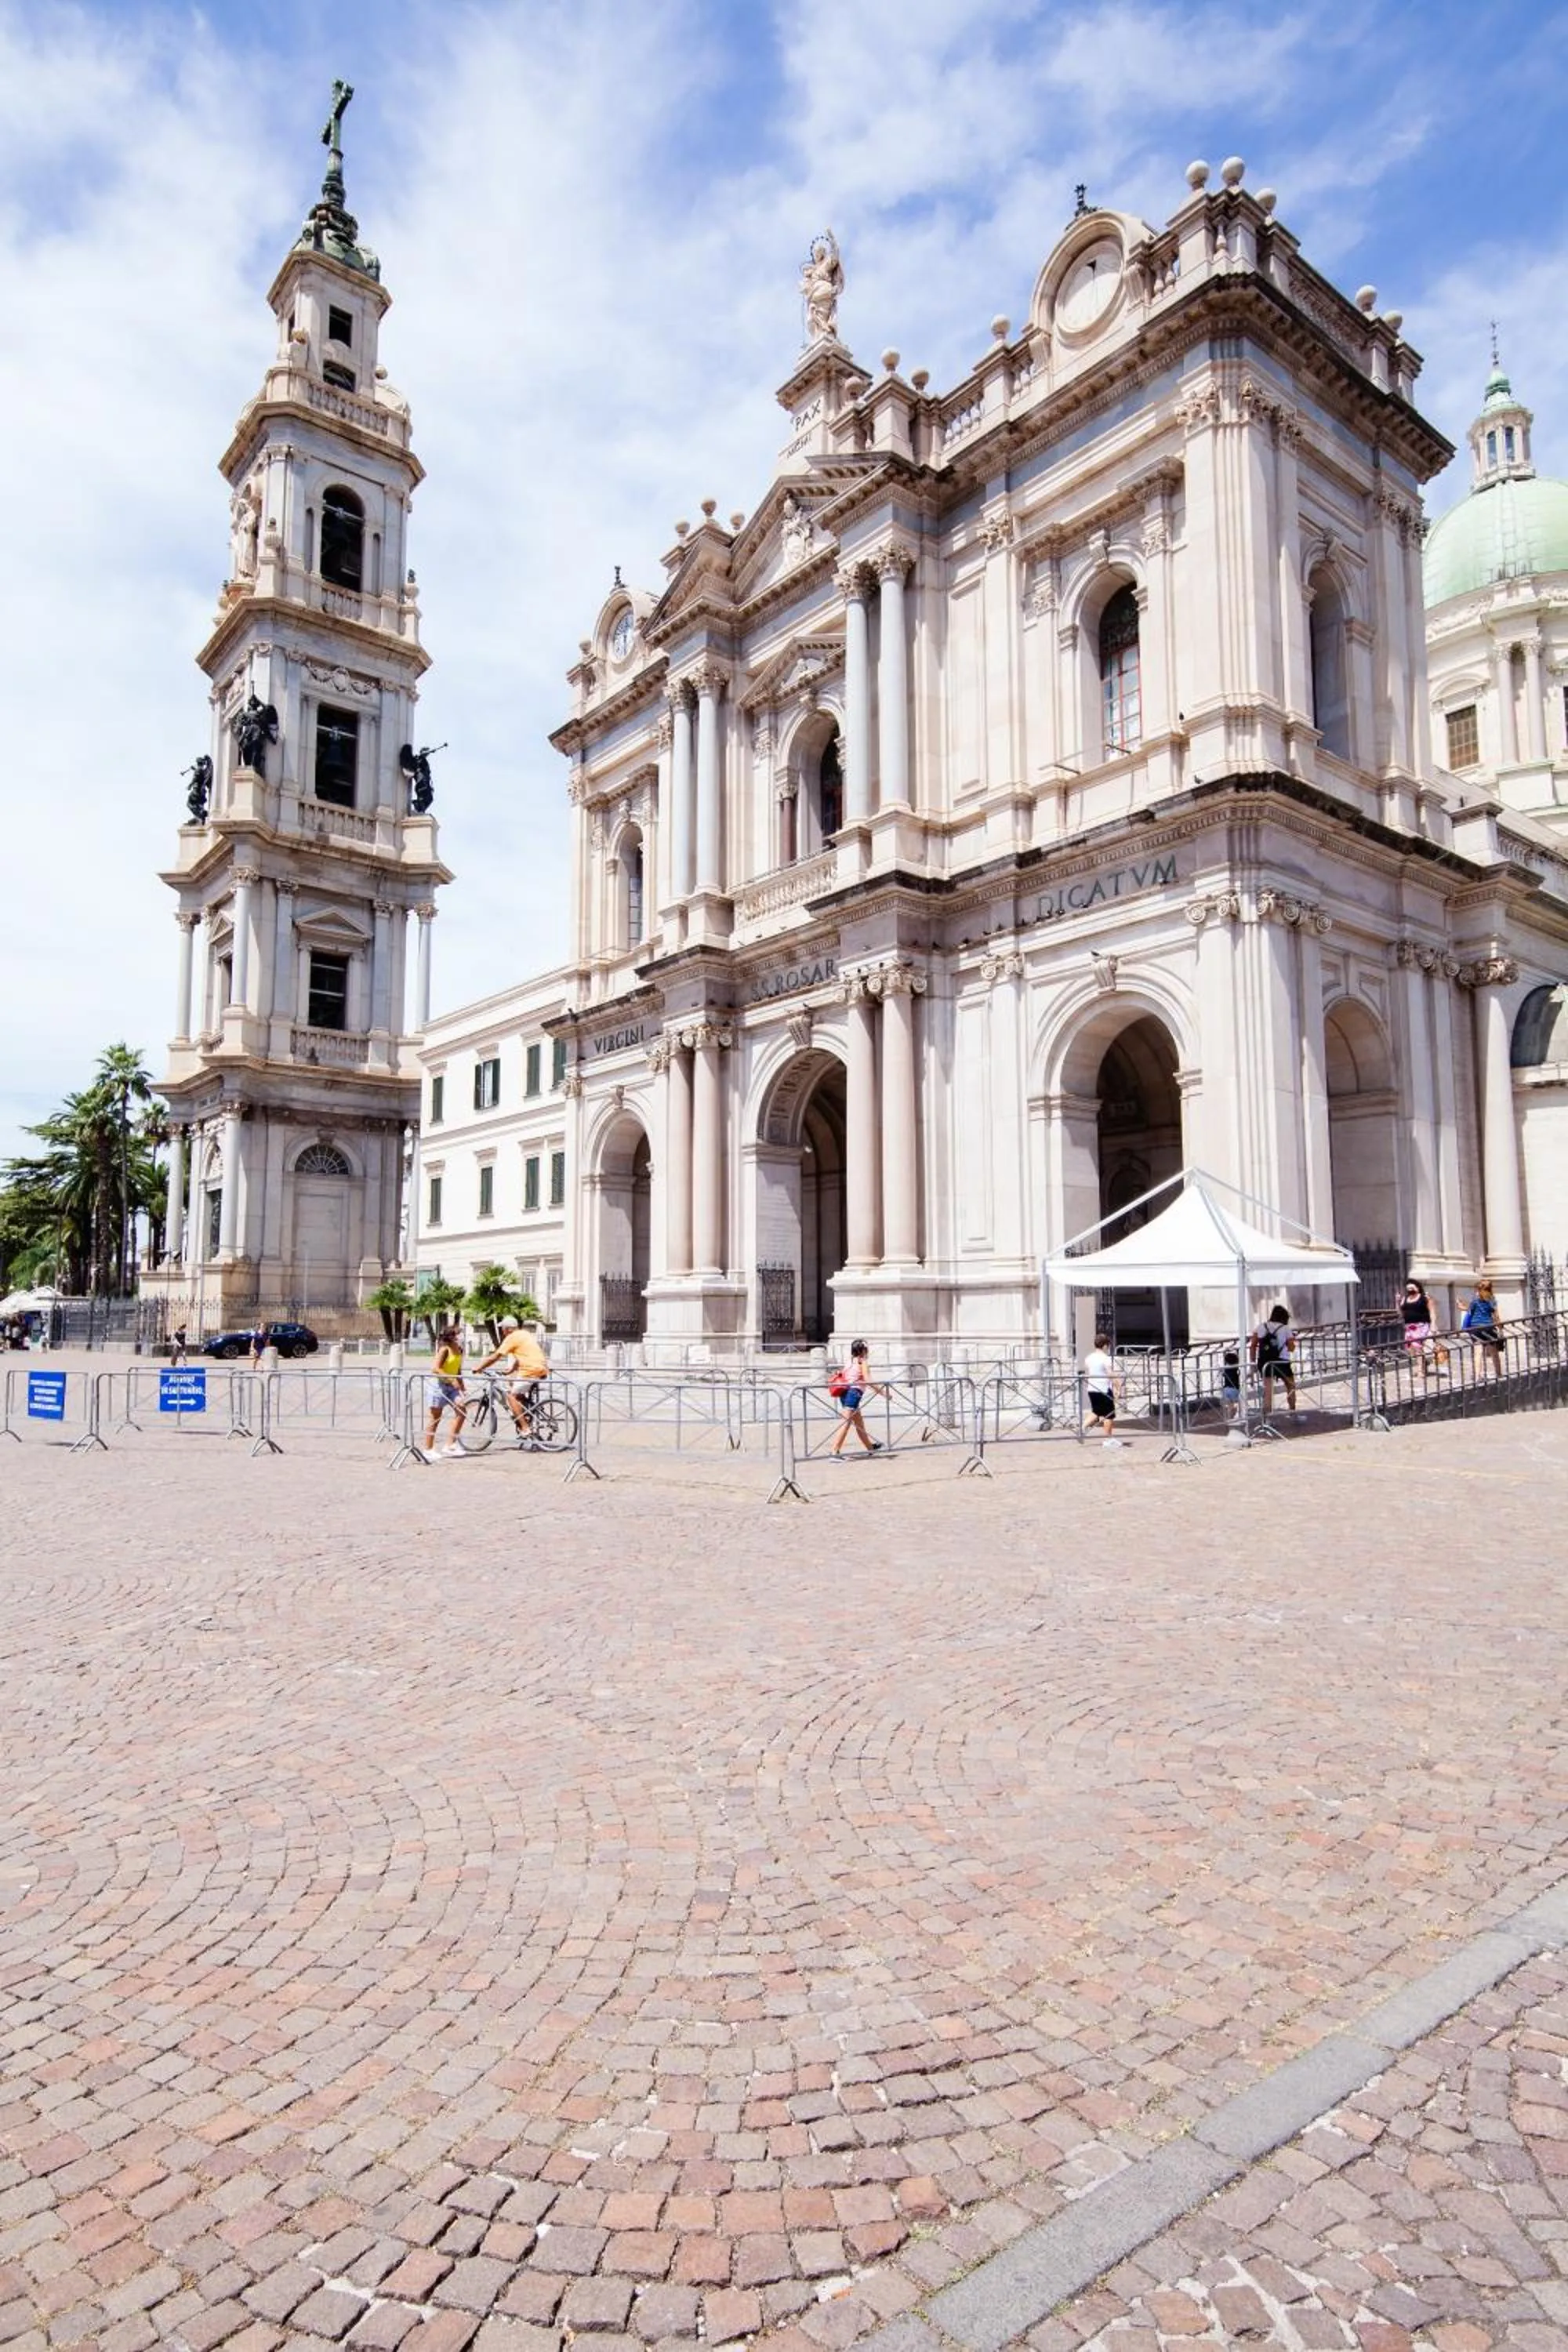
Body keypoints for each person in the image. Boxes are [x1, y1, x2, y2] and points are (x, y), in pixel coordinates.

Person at [471, 1316, 550, 1442]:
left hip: (530, 1370)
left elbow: (495, 1356)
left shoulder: (511, 1338)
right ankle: (528, 1416)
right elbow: (524, 1354)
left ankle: (525, 1428)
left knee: (511, 1396)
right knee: (518, 1395)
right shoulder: (524, 1334)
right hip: (541, 1368)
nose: (502, 1331)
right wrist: (512, 1369)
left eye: (502, 1328)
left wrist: (479, 1368)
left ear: (507, 1329)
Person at [829, 1338, 885, 1457]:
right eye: (866, 1349)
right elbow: (869, 1380)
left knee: (859, 1424)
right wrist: (884, 1393)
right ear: (863, 1351)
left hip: (845, 1393)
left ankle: (870, 1448)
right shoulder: (862, 1362)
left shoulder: (850, 1361)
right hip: (853, 1394)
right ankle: (834, 1452)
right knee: (846, 1423)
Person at [423, 1322, 470, 1457]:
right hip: (439, 1386)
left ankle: (450, 1445)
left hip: (453, 1387)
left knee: (462, 1411)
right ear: (452, 1336)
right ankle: (428, 1449)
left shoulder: (459, 1349)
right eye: (459, 1334)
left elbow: (458, 1369)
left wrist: (462, 1386)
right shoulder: (444, 1349)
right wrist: (450, 1379)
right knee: (435, 1418)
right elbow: (436, 1368)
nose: (461, 1336)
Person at [1250, 1304, 1298, 1417]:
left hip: (1265, 1362)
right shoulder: (1285, 1329)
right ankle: (1292, 1411)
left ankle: (1267, 1417)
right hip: (1282, 1361)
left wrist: (1253, 1362)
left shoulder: (1261, 1327)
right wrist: (1288, 1342)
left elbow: (1253, 1345)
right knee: (1290, 1386)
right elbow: (1292, 1348)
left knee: (1268, 1391)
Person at [1401, 1279, 1450, 1369]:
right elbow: (1401, 1312)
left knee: (1417, 1346)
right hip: (1409, 1327)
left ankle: (1421, 1370)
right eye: (1408, 1289)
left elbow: (1432, 1311)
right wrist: (1398, 1302)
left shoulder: (1425, 1298)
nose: (1410, 1291)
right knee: (1410, 1348)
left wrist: (1433, 1324)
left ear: (1418, 1288)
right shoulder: (1405, 1299)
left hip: (1421, 1326)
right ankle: (1423, 1362)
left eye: (1412, 1288)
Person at [1461, 1278, 1504, 1377]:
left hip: (1476, 1328)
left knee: (1478, 1352)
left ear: (1478, 1290)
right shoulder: (1492, 1301)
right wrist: (1500, 1327)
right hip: (1489, 1327)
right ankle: (1499, 1373)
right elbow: (1496, 1316)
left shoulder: (1475, 1301)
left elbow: (1470, 1311)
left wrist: (1462, 1307)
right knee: (1494, 1352)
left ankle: (1477, 1375)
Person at [1083, 1332, 1119, 1442]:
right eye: (1107, 1345)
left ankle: (1082, 1428)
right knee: (1109, 1414)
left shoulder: (1089, 1358)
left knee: (1096, 1411)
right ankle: (1108, 1439)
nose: (1108, 1348)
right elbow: (1110, 1373)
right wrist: (1118, 1385)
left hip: (1092, 1388)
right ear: (1104, 1346)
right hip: (1103, 1389)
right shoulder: (1105, 1358)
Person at [1220, 1345, 1242, 1422]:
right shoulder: (1236, 1368)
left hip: (1226, 1388)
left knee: (1229, 1404)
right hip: (1235, 1388)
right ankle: (1233, 1414)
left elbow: (1223, 1374)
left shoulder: (1225, 1368)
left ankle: (1230, 1416)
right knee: (1235, 1402)